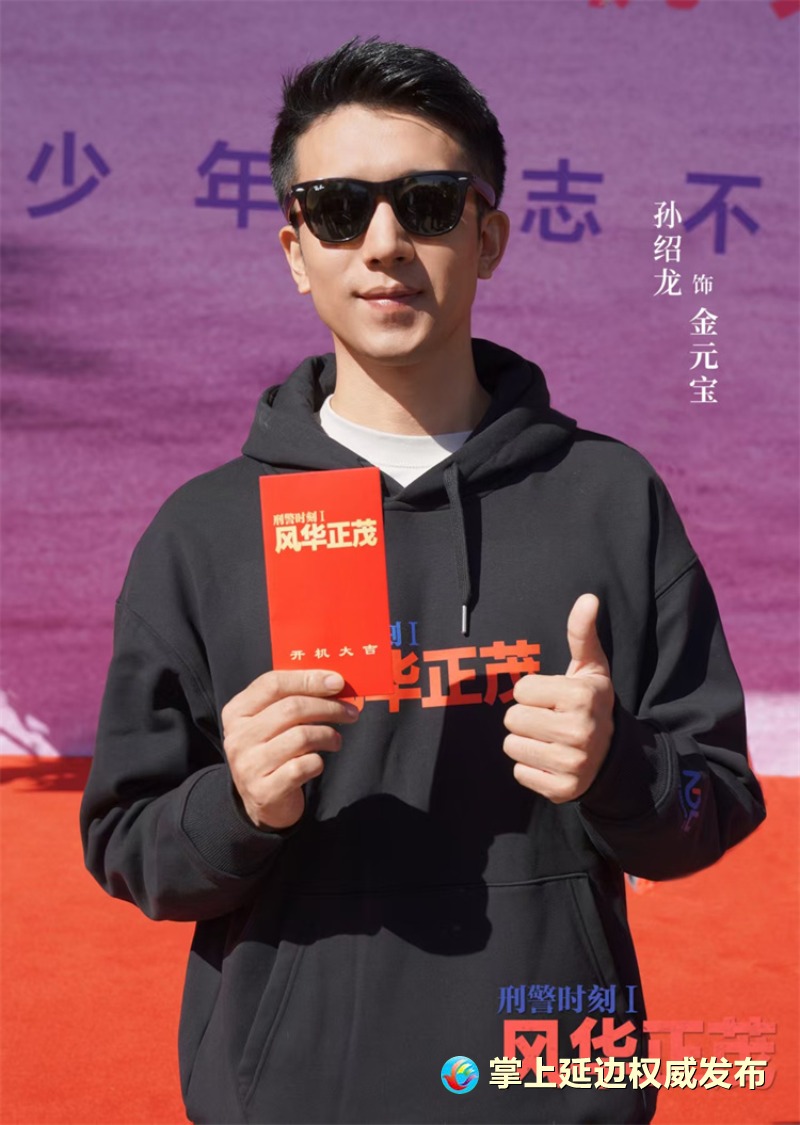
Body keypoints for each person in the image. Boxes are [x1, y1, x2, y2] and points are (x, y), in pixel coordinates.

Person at [80, 36, 766, 1125]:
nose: (385, 243)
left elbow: (712, 801)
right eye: (338, 209)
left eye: (429, 204)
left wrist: (619, 765)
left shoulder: (608, 496)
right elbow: (128, 845)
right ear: (295, 249)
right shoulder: (204, 532)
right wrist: (238, 802)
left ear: (488, 236)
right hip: (294, 1095)